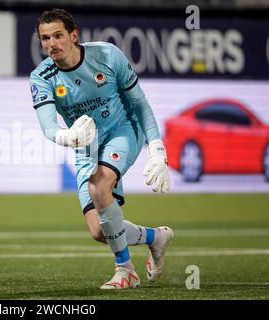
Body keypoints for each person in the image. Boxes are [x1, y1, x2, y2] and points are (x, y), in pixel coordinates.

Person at [29, 8, 174, 289]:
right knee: (100, 230)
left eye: (58, 36)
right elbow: (49, 127)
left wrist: (156, 150)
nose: (51, 44)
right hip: (85, 147)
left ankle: (125, 271)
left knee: (99, 186)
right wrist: (68, 137)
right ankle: (156, 238)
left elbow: (139, 103)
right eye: (45, 38)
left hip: (123, 130)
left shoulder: (106, 55)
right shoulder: (42, 77)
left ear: (74, 35)